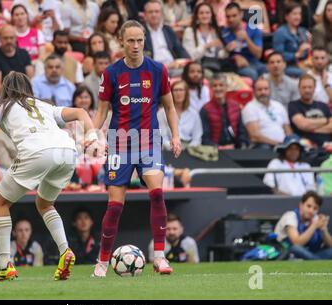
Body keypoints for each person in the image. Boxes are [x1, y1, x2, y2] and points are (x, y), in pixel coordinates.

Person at [0, 71, 99, 281]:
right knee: (44, 203)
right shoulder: (44, 105)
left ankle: (5, 265)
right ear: (28, 88)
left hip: (36, 152)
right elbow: (81, 112)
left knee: (0, 203)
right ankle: (64, 251)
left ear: (5, 89)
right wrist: (91, 136)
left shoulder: (1, 106)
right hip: (67, 152)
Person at [92, 20, 182, 277]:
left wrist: (175, 136)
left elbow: (170, 107)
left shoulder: (157, 70)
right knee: (115, 206)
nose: (135, 45)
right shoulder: (111, 73)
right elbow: (101, 112)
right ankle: (102, 261)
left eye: (139, 40)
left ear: (145, 41)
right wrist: (91, 135)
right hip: (119, 142)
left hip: (149, 141)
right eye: (130, 40)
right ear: (121, 41)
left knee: (157, 193)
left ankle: (160, 257)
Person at [274, 191, 332, 260]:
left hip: (310, 253)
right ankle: (317, 261)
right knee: (296, 248)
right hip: (287, 253)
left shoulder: (316, 219)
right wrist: (314, 226)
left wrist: (324, 229)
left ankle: (315, 260)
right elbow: (296, 242)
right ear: (301, 205)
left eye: (315, 208)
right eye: (308, 206)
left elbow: (330, 245)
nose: (311, 211)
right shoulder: (290, 216)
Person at [242, 78, 293, 149]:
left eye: (266, 89)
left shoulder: (278, 106)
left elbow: (288, 130)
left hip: (282, 145)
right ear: (253, 91)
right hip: (263, 145)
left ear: (270, 90)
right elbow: (255, 136)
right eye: (259, 90)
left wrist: (289, 143)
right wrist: (277, 144)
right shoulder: (250, 108)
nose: (263, 92)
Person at [200, 73, 248, 149]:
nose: (218, 88)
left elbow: (242, 132)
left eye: (221, 85)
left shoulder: (236, 106)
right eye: (215, 86)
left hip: (235, 149)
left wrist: (241, 145)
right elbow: (205, 137)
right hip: (215, 150)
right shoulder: (205, 109)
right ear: (211, 88)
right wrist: (220, 148)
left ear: (226, 87)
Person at [144, 0, 191, 77]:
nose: (154, 15)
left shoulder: (167, 30)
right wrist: (167, 66)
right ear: (145, 15)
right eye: (150, 12)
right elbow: (144, 59)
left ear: (161, 14)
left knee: (192, 72)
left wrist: (188, 62)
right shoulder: (141, 32)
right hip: (154, 70)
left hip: (174, 67)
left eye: (157, 11)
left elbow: (180, 49)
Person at [222, 1, 266, 81]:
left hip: (254, 62)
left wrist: (247, 39)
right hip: (237, 65)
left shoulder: (253, 29)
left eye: (234, 16)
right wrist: (230, 53)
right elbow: (220, 55)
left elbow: (258, 55)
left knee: (267, 71)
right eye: (228, 17)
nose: (231, 19)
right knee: (252, 74)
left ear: (241, 14)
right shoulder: (224, 33)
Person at [0, 24, 34, 96]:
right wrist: (16, 97)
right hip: (3, 97)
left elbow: (30, 79)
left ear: (16, 38)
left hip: (25, 95)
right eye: (5, 38)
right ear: (0, 39)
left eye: (11, 38)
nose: (9, 41)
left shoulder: (24, 53)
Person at [288, 74, 332, 148]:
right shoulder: (293, 105)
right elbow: (303, 125)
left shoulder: (323, 105)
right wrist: (326, 120)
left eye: (310, 87)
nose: (307, 90)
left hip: (329, 145)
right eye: (304, 87)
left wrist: (312, 130)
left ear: (314, 88)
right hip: (307, 146)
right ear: (299, 89)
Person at [158, 79, 202, 149]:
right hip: (169, 149)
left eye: (181, 90)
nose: (178, 93)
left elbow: (197, 138)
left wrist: (187, 149)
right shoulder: (161, 113)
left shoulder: (194, 114)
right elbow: (162, 137)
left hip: (189, 149)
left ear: (186, 93)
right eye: (175, 90)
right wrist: (174, 148)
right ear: (171, 93)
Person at [182, 2, 227, 70]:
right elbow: (190, 56)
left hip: (215, 65)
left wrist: (225, 49)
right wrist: (206, 46)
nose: (205, 15)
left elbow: (221, 55)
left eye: (207, 13)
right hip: (197, 68)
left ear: (211, 15)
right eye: (201, 13)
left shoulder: (216, 31)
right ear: (197, 16)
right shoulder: (189, 31)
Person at [272, 2, 311, 78]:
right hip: (287, 66)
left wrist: (310, 45)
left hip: (304, 63)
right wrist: (297, 54)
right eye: (294, 14)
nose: (298, 17)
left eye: (299, 14)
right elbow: (278, 56)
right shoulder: (280, 32)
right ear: (286, 16)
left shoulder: (303, 31)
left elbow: (308, 52)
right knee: (308, 73)